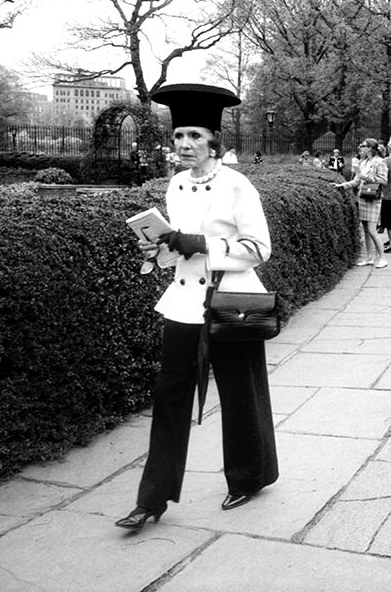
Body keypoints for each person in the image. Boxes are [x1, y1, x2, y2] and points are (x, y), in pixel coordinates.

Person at [116, 83, 278, 532]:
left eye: (194, 137)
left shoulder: (237, 184)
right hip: (185, 303)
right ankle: (151, 500)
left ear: (213, 143)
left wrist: (204, 244)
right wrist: (160, 250)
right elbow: (179, 248)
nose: (184, 145)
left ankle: (250, 476)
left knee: (239, 393)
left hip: (230, 302)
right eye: (179, 136)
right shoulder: (176, 184)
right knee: (169, 397)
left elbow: (259, 248)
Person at [333, 138, 389, 268]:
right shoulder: (363, 162)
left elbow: (384, 180)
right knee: (366, 229)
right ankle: (370, 257)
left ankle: (382, 258)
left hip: (373, 198)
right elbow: (357, 181)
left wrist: (368, 178)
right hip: (363, 196)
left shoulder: (379, 162)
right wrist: (342, 185)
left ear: (370, 148)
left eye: (363, 146)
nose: (361, 148)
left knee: (372, 229)